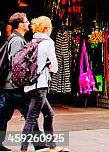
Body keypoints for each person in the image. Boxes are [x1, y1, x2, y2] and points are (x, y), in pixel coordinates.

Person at [20, 16, 68, 152]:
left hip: (30, 85)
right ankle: (23, 148)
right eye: (51, 27)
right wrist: (48, 66)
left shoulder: (33, 41)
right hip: (39, 85)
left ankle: (52, 146)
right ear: (47, 28)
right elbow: (56, 67)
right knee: (31, 118)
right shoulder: (48, 43)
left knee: (49, 113)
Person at [0, 13, 30, 152]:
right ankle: (41, 145)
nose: (28, 23)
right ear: (20, 24)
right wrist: (24, 81)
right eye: (26, 21)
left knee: (4, 116)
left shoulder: (16, 38)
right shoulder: (17, 40)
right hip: (14, 86)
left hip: (9, 86)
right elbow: (17, 64)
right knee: (31, 115)